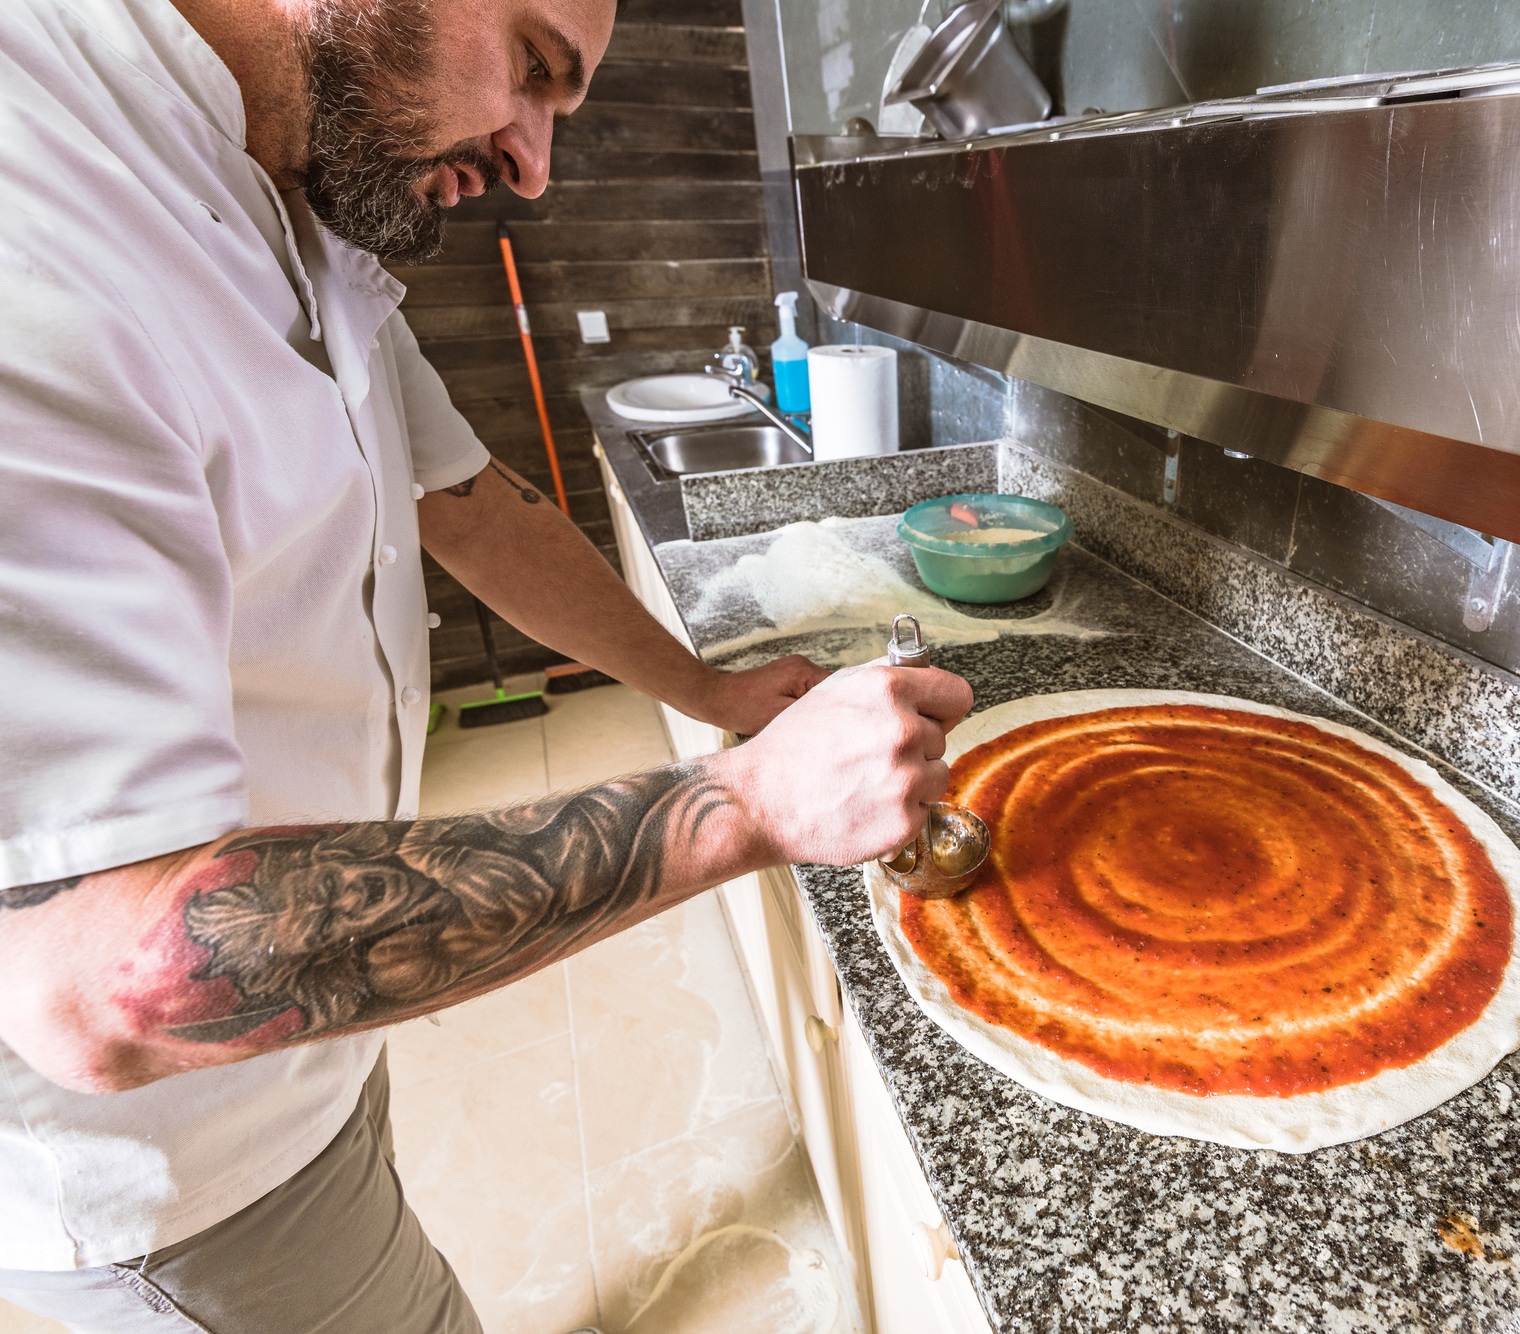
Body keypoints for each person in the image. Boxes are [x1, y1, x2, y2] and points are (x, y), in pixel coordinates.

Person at [0, 0, 974, 1328]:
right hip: (174, 1186)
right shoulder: (36, 200)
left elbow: (463, 500)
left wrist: (711, 694)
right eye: (529, 67)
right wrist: (745, 802)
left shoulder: (293, 186)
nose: (535, 164)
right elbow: (114, 977)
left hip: (298, 1059)